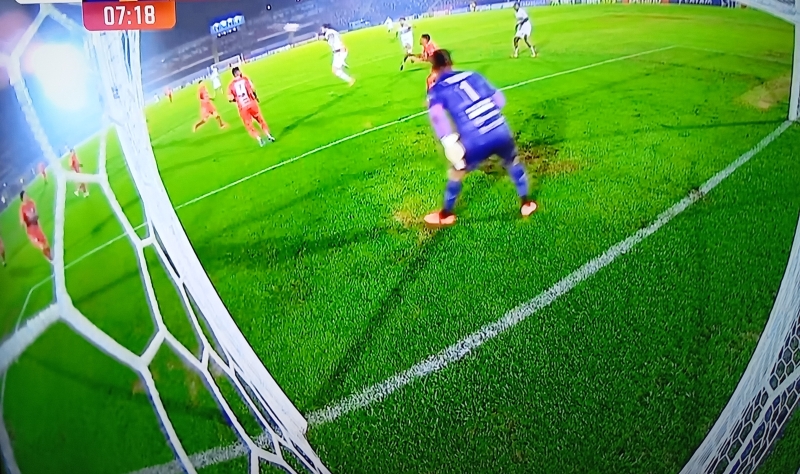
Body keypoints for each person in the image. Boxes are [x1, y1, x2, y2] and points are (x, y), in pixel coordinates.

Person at [423, 50, 537, 226]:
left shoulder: (437, 88)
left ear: (434, 68)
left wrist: (448, 141)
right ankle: (526, 204)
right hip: (500, 129)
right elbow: (500, 100)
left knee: (457, 172)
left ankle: (446, 215)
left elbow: (437, 115)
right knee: (513, 162)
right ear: (451, 63)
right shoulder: (473, 75)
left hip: (475, 139)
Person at [227, 67, 275, 147]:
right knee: (260, 119)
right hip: (251, 103)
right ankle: (268, 135)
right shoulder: (245, 79)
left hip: (243, 108)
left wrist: (236, 99)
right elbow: (253, 89)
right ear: (238, 72)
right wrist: (256, 97)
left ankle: (259, 139)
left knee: (249, 125)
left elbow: (230, 98)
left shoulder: (231, 85)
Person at [19, 191, 52, 261]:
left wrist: (36, 216)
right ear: (22, 198)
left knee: (45, 242)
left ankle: (49, 254)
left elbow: (36, 213)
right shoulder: (22, 208)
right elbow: (22, 221)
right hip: (31, 231)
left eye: (27, 195)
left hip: (37, 227)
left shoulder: (32, 202)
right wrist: (23, 223)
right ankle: (49, 257)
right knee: (41, 245)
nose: (27, 196)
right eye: (25, 196)